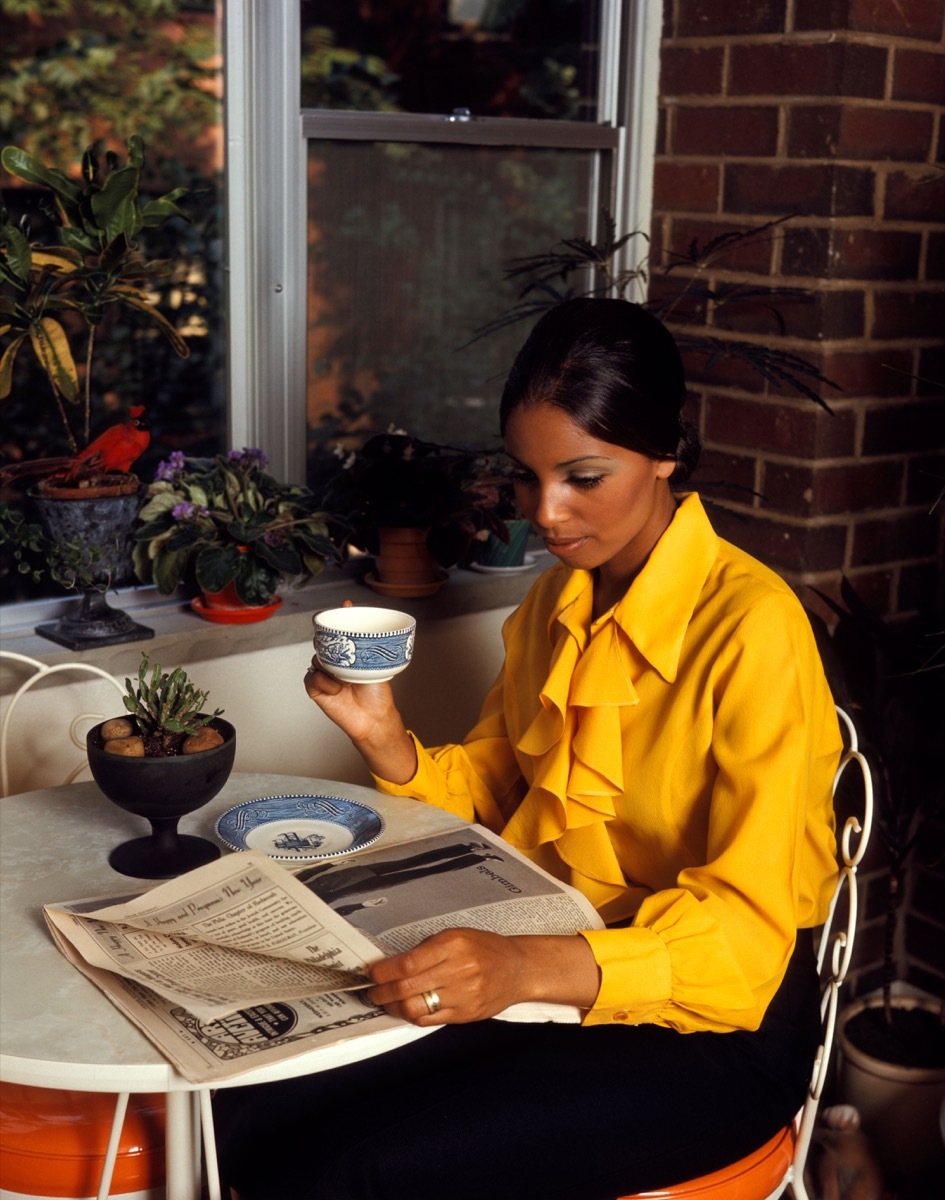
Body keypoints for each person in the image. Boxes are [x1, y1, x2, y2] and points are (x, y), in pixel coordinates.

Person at [214, 298, 841, 1200]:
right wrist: (385, 739)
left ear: (666, 451)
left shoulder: (753, 629)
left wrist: (516, 969)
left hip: (718, 1025)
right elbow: (498, 788)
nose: (546, 513)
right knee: (253, 1107)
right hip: (561, 953)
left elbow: (744, 942)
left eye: (582, 476)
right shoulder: (555, 605)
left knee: (360, 1166)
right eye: (525, 478)